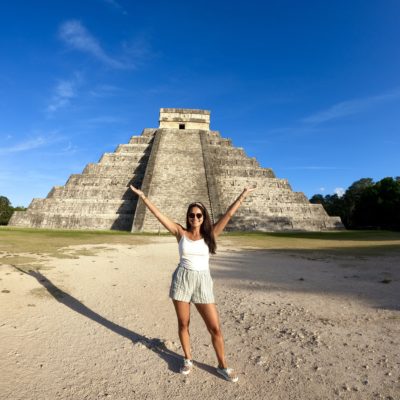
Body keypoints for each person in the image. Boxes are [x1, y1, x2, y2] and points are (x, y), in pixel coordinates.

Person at [129, 185, 255, 382]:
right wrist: (143, 197)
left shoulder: (210, 234)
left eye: (199, 215)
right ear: (187, 217)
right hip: (182, 279)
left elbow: (229, 214)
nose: (195, 218)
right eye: (191, 215)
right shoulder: (180, 232)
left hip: (203, 281)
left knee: (215, 328)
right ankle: (188, 359)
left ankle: (222, 365)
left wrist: (243, 194)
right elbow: (159, 215)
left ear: (204, 217)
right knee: (183, 323)